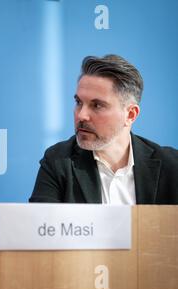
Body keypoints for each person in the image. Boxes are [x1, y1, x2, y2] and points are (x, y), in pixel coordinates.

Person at [30, 54, 177, 204]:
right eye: (79, 102)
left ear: (130, 114)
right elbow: (40, 225)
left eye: (97, 105)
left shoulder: (172, 166)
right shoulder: (58, 161)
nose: (81, 115)